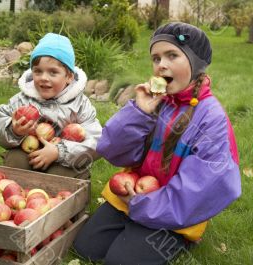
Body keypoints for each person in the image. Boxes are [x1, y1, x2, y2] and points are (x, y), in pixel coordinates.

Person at [73, 22, 241, 264]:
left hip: (173, 210)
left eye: (172, 55)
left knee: (121, 261)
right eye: (156, 58)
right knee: (86, 247)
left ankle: (180, 239)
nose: (161, 64)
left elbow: (206, 185)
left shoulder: (211, 118)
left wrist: (143, 205)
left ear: (196, 65)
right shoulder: (156, 101)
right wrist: (139, 112)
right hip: (134, 192)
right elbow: (114, 151)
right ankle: (136, 228)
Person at [0, 33, 102, 179]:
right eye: (38, 71)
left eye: (53, 72)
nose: (43, 77)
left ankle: (62, 198)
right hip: (29, 152)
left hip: (65, 160)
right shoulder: (22, 100)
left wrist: (59, 152)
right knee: (15, 160)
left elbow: (96, 141)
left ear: (69, 77)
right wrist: (13, 129)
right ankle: (15, 195)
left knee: (61, 176)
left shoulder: (80, 105)